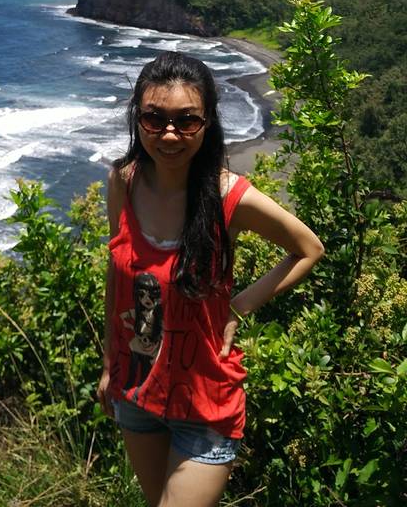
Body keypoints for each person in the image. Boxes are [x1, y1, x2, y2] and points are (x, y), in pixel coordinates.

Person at [97, 52, 324, 507]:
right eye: (154, 118)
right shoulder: (124, 181)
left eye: (186, 121)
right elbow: (116, 280)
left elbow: (308, 249)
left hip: (204, 402)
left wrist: (237, 308)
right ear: (137, 118)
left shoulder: (229, 196)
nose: (169, 134)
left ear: (208, 123)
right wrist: (108, 365)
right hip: (136, 390)